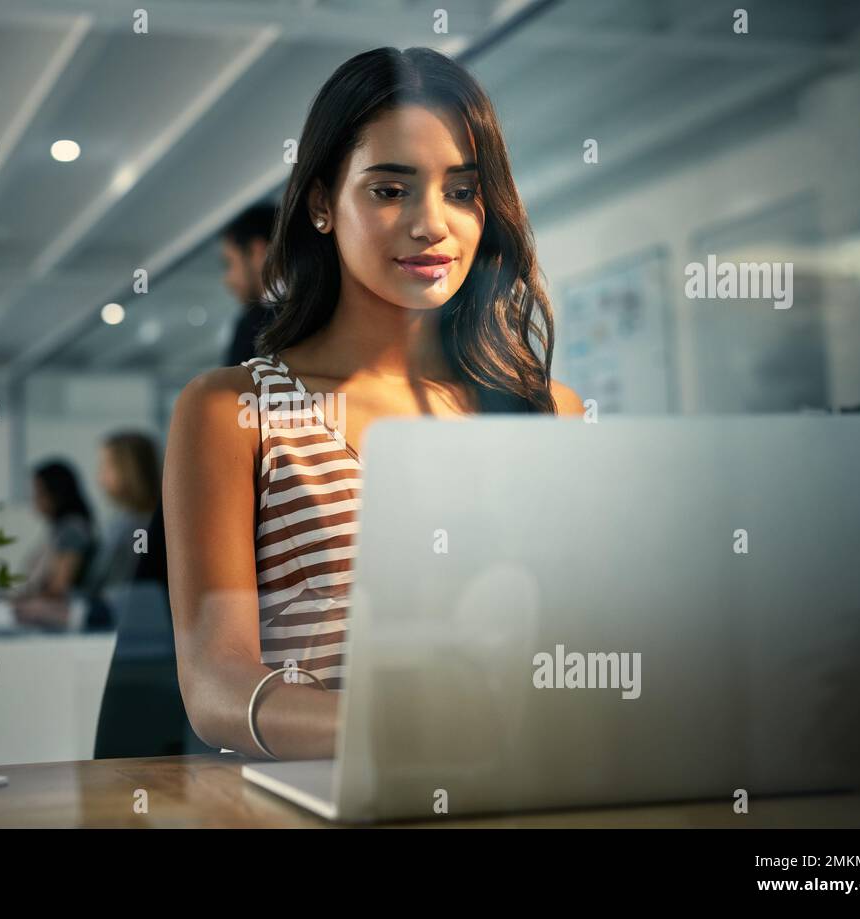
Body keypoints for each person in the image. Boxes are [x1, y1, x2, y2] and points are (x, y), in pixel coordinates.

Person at [163, 47, 585, 762]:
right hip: (329, 793)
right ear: (323, 203)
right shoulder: (231, 409)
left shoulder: (546, 410)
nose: (432, 225)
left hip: (522, 786)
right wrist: (387, 729)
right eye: (391, 190)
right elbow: (216, 685)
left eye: (461, 190)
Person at [82, 432, 161, 617]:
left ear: (129, 470)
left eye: (106, 467)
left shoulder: (141, 526)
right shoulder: (122, 521)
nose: (100, 477)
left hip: (119, 621)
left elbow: (135, 587)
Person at [12, 460, 97, 628]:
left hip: (57, 615)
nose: (34, 499)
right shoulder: (58, 529)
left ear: (56, 493)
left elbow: (59, 586)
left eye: (39, 492)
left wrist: (25, 601)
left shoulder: (72, 530)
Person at [221, 203, 279, 366]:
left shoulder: (250, 328)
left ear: (257, 251)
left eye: (229, 263)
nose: (227, 279)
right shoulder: (320, 305)